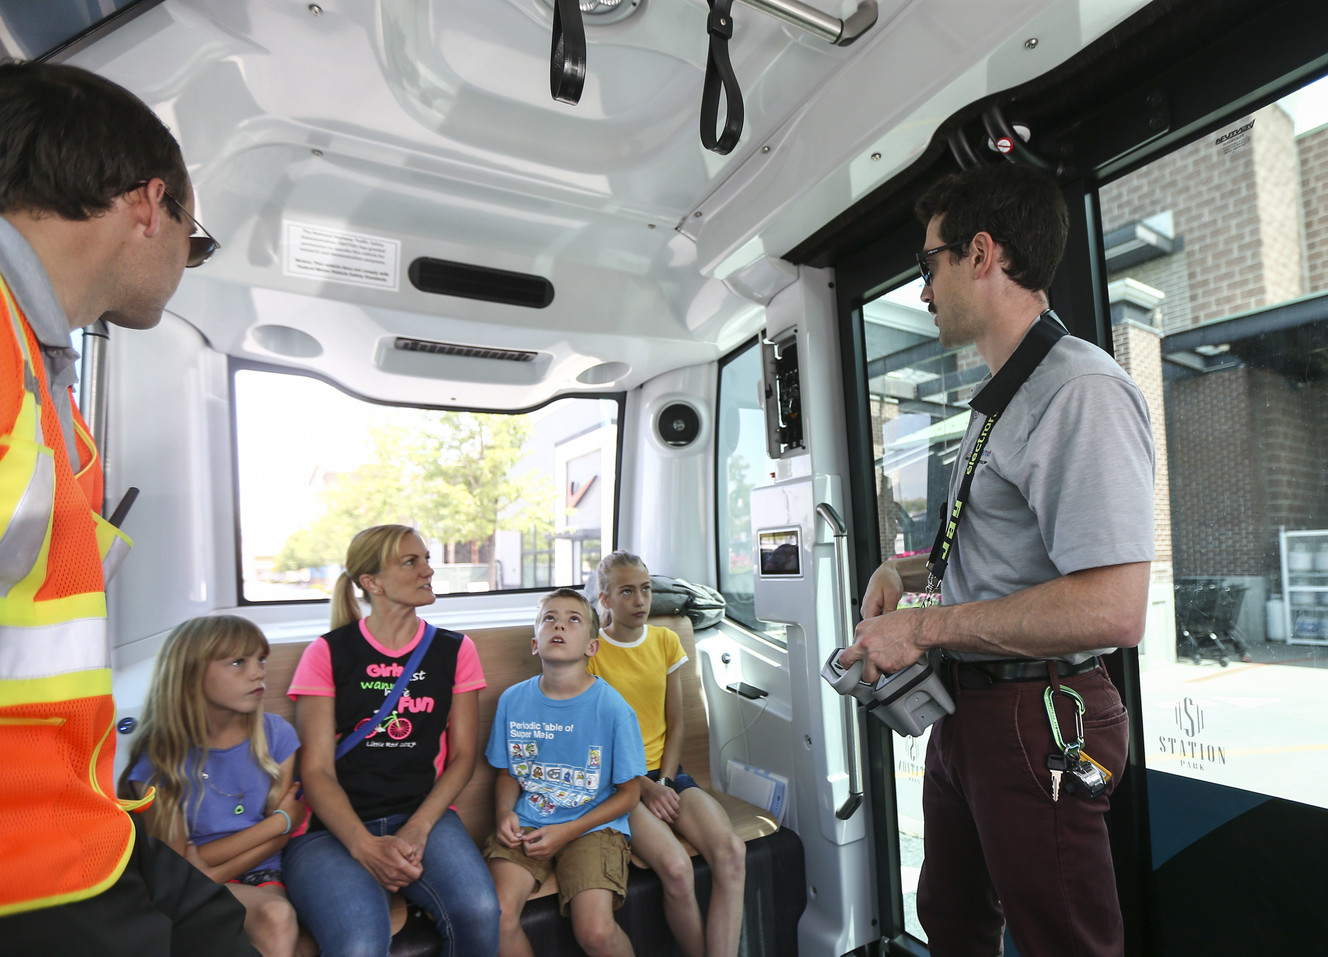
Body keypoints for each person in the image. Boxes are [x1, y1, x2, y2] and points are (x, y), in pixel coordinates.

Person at [840, 162, 1155, 957]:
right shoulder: (999, 396)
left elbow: (1111, 607)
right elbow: (1010, 551)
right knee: (950, 915)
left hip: (1037, 714)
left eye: (928, 265)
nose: (923, 290)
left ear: (981, 254)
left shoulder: (1078, 390)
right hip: (970, 710)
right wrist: (904, 574)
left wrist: (921, 630)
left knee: (1063, 942)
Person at [0, 61, 252, 956]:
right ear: (150, 206)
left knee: (223, 927)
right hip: (23, 871)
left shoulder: (46, 381)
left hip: (80, 823)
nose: (187, 259)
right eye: (196, 234)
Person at [284, 524, 500, 957]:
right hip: (330, 830)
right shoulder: (326, 653)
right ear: (372, 582)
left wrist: (419, 828)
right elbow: (317, 770)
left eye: (426, 559)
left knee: (479, 910)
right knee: (359, 944)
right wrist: (364, 847)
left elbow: (462, 759)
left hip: (422, 816)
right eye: (411, 562)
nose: (428, 570)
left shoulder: (456, 651)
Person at [588, 551, 745, 957]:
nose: (640, 601)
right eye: (627, 592)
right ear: (605, 600)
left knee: (731, 853)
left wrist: (663, 782)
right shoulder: (591, 653)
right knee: (676, 868)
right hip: (616, 782)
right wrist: (642, 787)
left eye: (645, 590)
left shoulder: (664, 640)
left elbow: (677, 724)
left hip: (665, 773)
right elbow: (593, 743)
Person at [121, 617, 305, 957]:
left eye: (260, 659)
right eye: (238, 662)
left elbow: (280, 840)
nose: (258, 672)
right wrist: (277, 821)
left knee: (275, 916)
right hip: (186, 886)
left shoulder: (276, 735)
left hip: (262, 873)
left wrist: (211, 867)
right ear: (191, 676)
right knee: (270, 919)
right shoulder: (160, 760)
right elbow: (177, 867)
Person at [484, 587, 646, 957]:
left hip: (593, 825)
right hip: (529, 822)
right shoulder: (513, 700)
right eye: (549, 619)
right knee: (497, 918)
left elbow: (629, 794)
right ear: (534, 643)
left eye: (573, 620)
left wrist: (567, 831)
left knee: (596, 932)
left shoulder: (612, 708)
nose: (559, 625)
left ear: (592, 646)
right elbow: (509, 773)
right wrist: (503, 813)